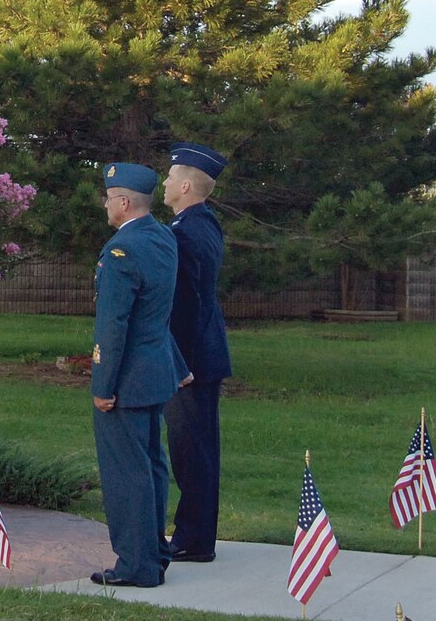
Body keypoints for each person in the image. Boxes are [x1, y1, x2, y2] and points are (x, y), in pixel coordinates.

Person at [89, 161, 190, 590]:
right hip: (155, 374)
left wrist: (102, 385)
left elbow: (114, 326)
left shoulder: (121, 251)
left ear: (124, 202)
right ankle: (155, 553)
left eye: (110, 199)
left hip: (126, 379)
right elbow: (158, 314)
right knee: (151, 467)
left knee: (127, 472)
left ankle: (136, 565)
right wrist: (180, 366)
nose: (107, 206)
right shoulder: (163, 238)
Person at [161, 141, 232, 564]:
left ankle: (192, 538)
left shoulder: (187, 232)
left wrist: (179, 363)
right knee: (197, 449)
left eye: (170, 178)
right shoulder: (203, 223)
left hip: (193, 360)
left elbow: (187, 305)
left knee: (191, 452)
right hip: (204, 355)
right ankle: (196, 535)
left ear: (186, 185)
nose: (165, 184)